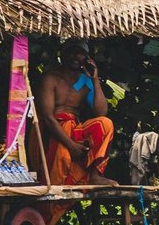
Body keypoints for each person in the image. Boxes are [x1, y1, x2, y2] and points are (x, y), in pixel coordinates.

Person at [35, 50, 114, 185]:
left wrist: (95, 80)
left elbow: (101, 112)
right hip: (52, 131)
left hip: (74, 129)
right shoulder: (50, 78)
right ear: (62, 54)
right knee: (61, 161)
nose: (77, 56)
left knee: (105, 124)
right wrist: (70, 145)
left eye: (81, 53)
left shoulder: (86, 81)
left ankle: (95, 176)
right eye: (73, 51)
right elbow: (47, 117)